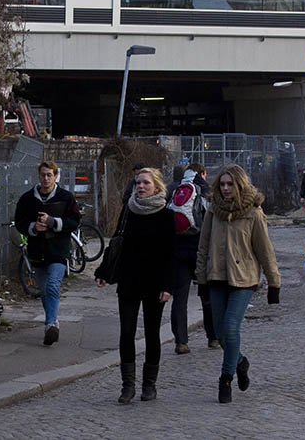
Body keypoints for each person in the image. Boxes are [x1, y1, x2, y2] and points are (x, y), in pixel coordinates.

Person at [195, 164, 281, 404]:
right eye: (222, 184)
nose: (225, 188)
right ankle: (241, 361)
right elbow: (203, 246)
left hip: (244, 278)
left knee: (231, 327)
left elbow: (264, 250)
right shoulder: (213, 210)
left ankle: (226, 379)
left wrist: (274, 282)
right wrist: (201, 277)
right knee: (221, 335)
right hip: (216, 277)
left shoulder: (253, 212)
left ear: (240, 185)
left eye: (230, 184)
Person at [96, 167, 174, 404]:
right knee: (127, 332)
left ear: (157, 188)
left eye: (146, 183)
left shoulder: (166, 215)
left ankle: (149, 385)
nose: (140, 187)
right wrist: (103, 270)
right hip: (129, 280)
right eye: (138, 183)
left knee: (151, 333)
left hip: (154, 282)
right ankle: (127, 385)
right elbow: (117, 242)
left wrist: (168, 285)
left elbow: (171, 253)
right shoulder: (128, 211)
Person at [14, 160, 81, 346]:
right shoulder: (27, 199)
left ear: (55, 176)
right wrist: (33, 227)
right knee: (44, 291)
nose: (46, 178)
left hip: (58, 250)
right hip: (37, 251)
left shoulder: (66, 197)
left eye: (49, 175)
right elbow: (19, 222)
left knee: (52, 286)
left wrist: (53, 222)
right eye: (43, 175)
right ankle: (52, 321)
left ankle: (50, 324)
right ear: (39, 176)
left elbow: (74, 221)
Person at [170, 163, 218, 354]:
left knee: (180, 298)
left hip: (178, 249)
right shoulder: (205, 189)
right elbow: (212, 219)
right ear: (203, 173)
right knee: (207, 295)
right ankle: (213, 337)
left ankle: (181, 342)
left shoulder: (174, 188)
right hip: (200, 249)